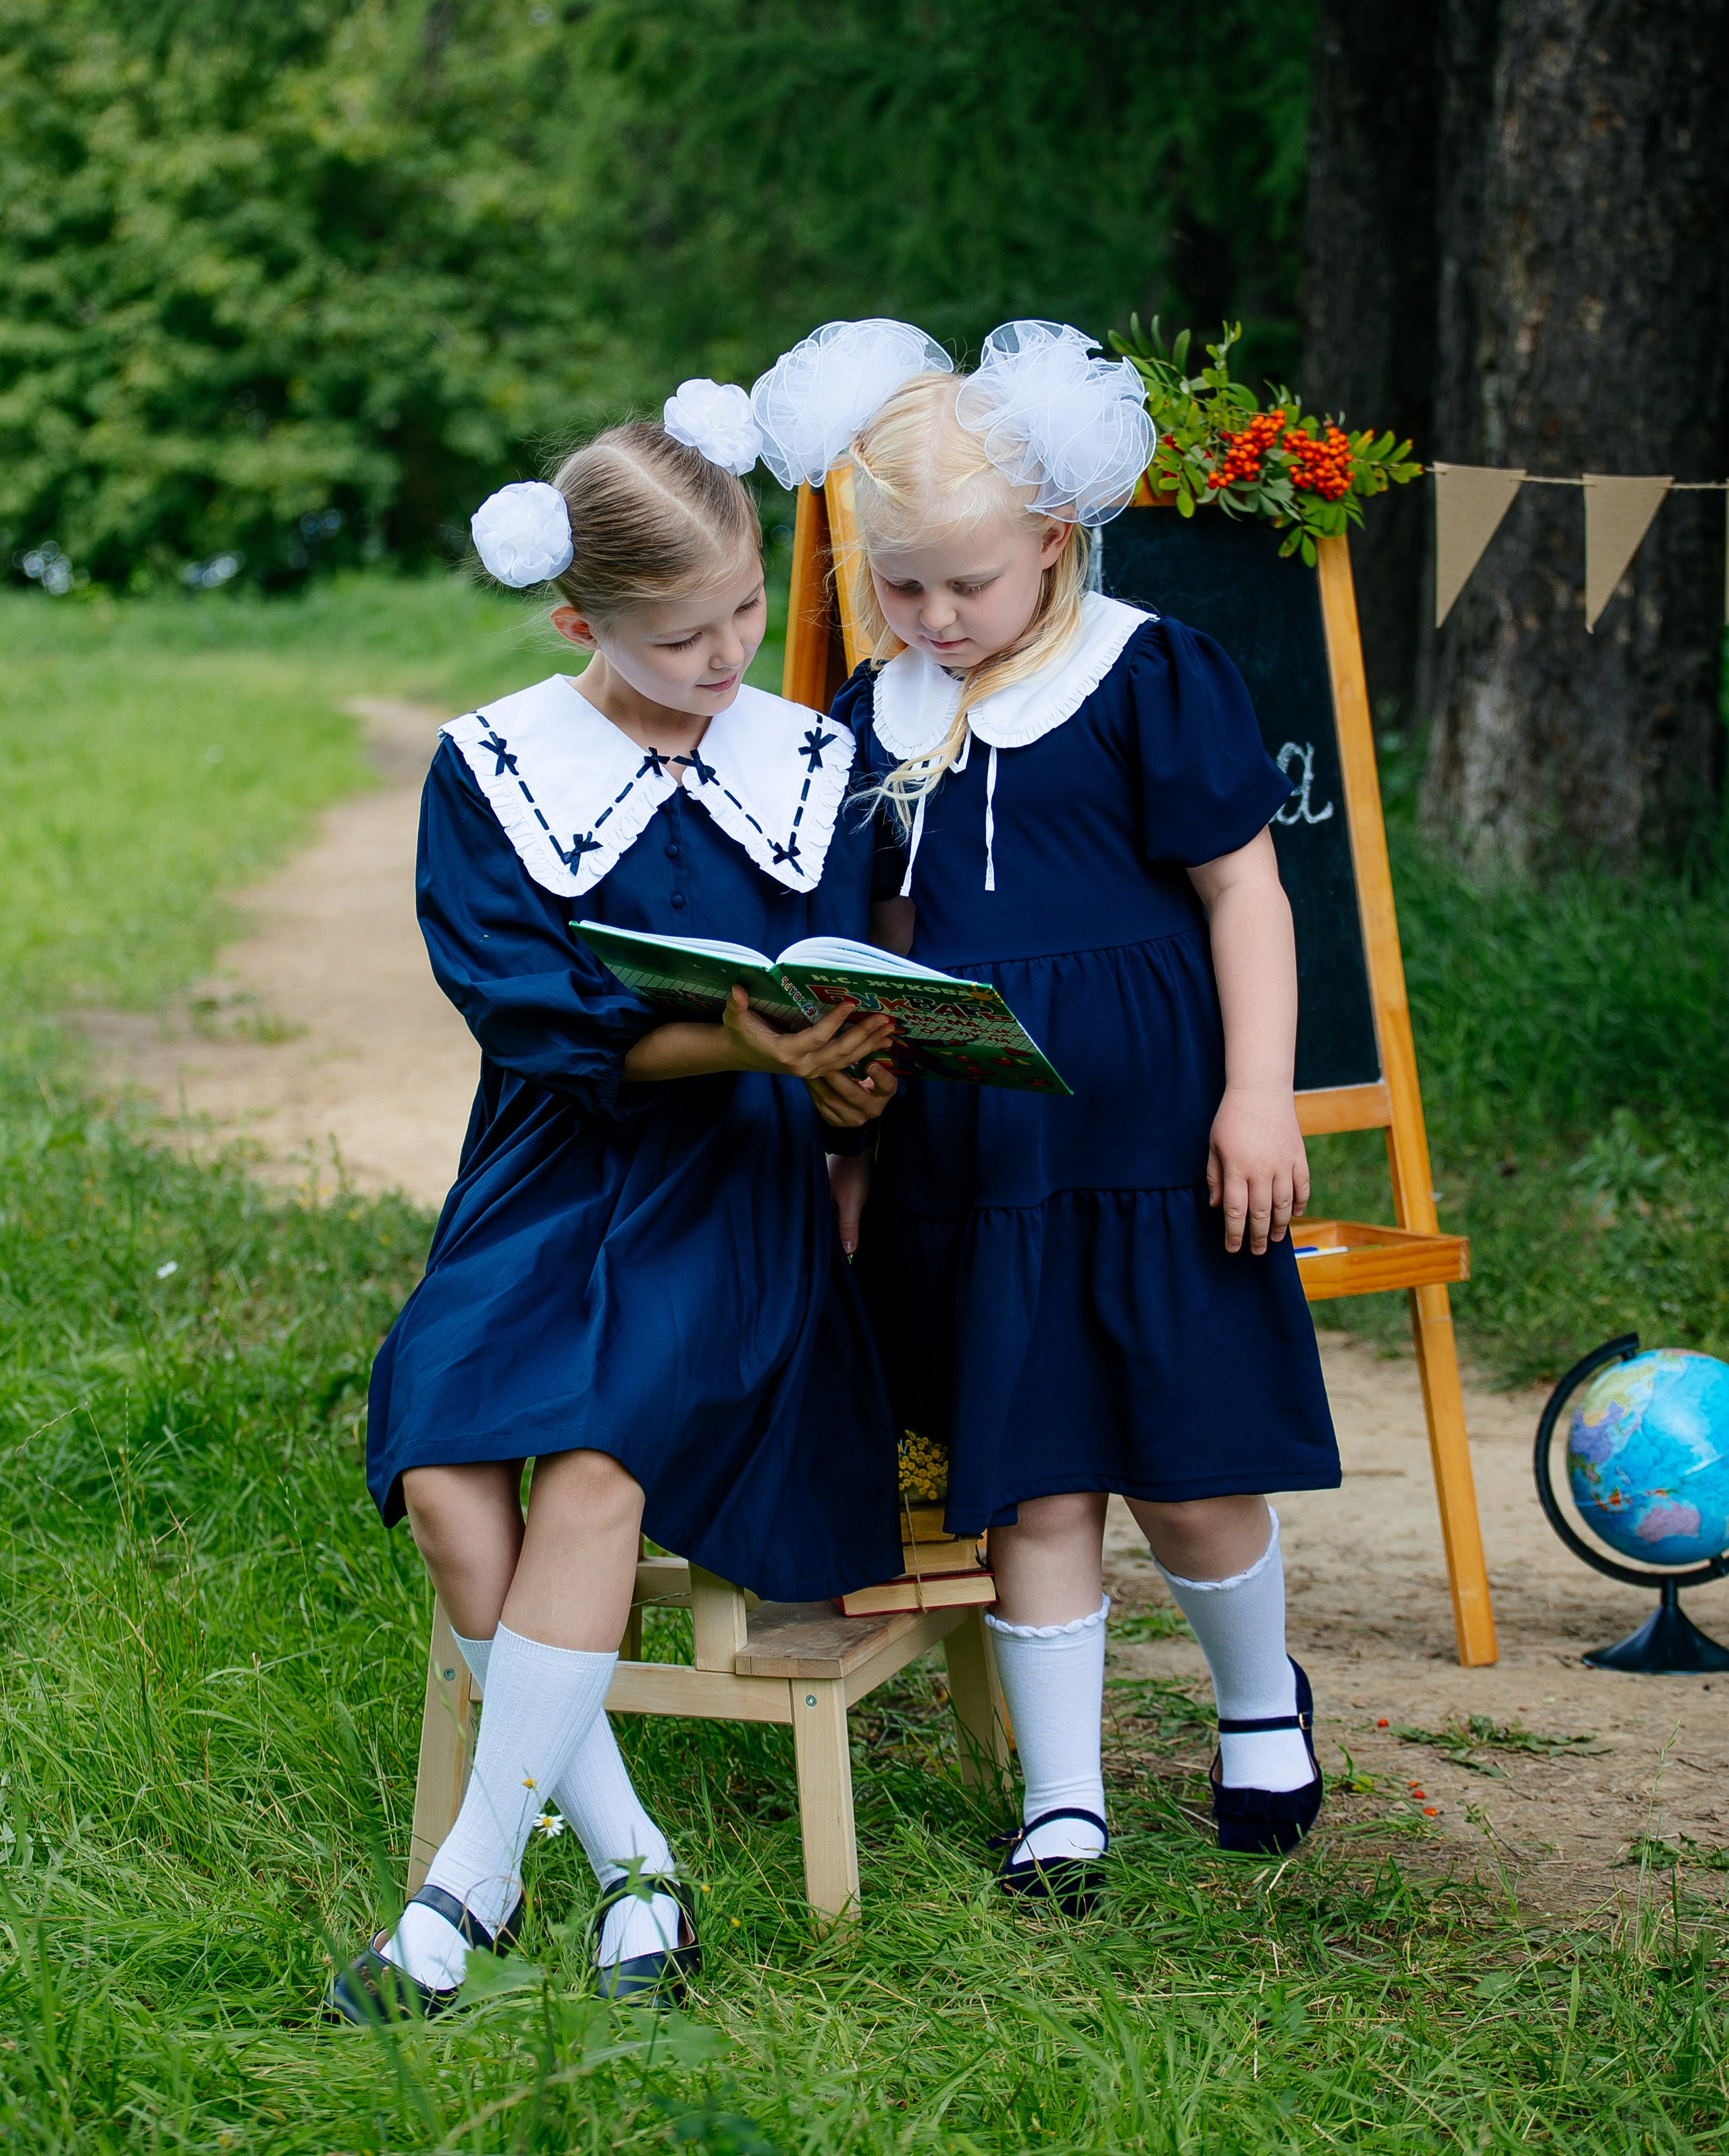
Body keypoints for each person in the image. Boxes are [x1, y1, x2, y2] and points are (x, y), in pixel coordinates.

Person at [756, 316, 1341, 1914]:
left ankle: (1253, 1707)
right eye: (901, 587)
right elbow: (862, 961)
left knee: (1190, 1462)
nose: (936, 618)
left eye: (969, 585)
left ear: (1054, 542)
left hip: (1155, 1143)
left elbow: (1244, 896)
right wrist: (852, 1148)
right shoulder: (873, 718)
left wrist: (1255, 1096)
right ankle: (1063, 1797)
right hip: (981, 1154)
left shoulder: (1146, 670)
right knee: (1032, 1471)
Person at [331, 389, 901, 2021]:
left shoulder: (809, 759)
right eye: (675, 639)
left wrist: (839, 1073)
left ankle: (461, 1894)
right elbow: (519, 1011)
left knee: (591, 1463)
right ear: (580, 617)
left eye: (741, 615)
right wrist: (718, 1030)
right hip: (549, 1163)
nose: (724, 659)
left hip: (734, 1184)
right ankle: (637, 1869)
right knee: (443, 1466)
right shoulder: (496, 768)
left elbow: (842, 982)